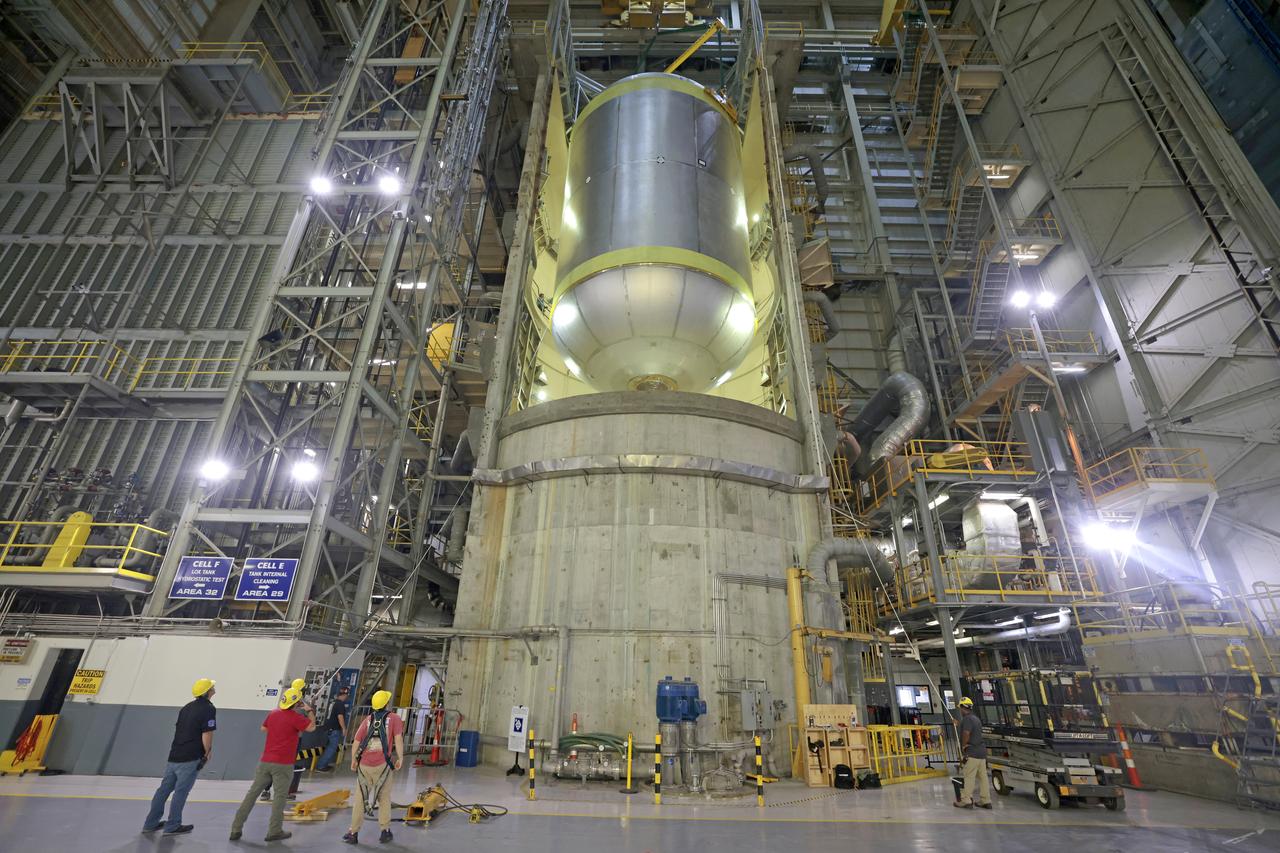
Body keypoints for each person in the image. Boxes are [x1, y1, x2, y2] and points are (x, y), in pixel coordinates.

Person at [229, 687, 316, 843]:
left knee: (252, 794)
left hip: (265, 761)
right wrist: (309, 711)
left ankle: (236, 828)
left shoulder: (274, 713)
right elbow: (311, 727)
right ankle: (274, 831)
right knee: (279, 798)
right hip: (283, 764)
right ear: (296, 703)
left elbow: (264, 728)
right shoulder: (296, 718)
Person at [142, 678, 217, 835]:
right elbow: (207, 732)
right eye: (212, 687)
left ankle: (150, 824)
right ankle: (173, 825)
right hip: (190, 757)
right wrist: (207, 752)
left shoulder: (186, 708)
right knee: (181, 791)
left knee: (163, 790)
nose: (214, 689)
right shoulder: (209, 709)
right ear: (207, 692)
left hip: (174, 755)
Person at [342, 690, 404, 845]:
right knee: (384, 798)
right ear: (387, 703)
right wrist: (400, 758)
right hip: (383, 765)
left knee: (360, 799)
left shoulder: (368, 720)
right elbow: (398, 739)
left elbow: (357, 740)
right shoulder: (394, 719)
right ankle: (384, 831)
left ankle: (353, 833)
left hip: (364, 766)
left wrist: (354, 759)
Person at [953, 697, 992, 809]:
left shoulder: (967, 720)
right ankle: (986, 800)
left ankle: (966, 800)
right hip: (981, 752)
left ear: (962, 707)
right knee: (983, 777)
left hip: (972, 752)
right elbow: (969, 728)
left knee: (969, 776)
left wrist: (964, 745)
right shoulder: (975, 719)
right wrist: (958, 724)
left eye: (960, 707)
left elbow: (966, 732)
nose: (960, 710)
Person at [317, 685, 350, 772]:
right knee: (332, 748)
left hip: (328, 728)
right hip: (334, 729)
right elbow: (340, 717)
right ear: (344, 695)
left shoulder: (333, 702)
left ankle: (323, 764)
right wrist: (344, 728)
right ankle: (321, 766)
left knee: (329, 747)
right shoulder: (340, 704)